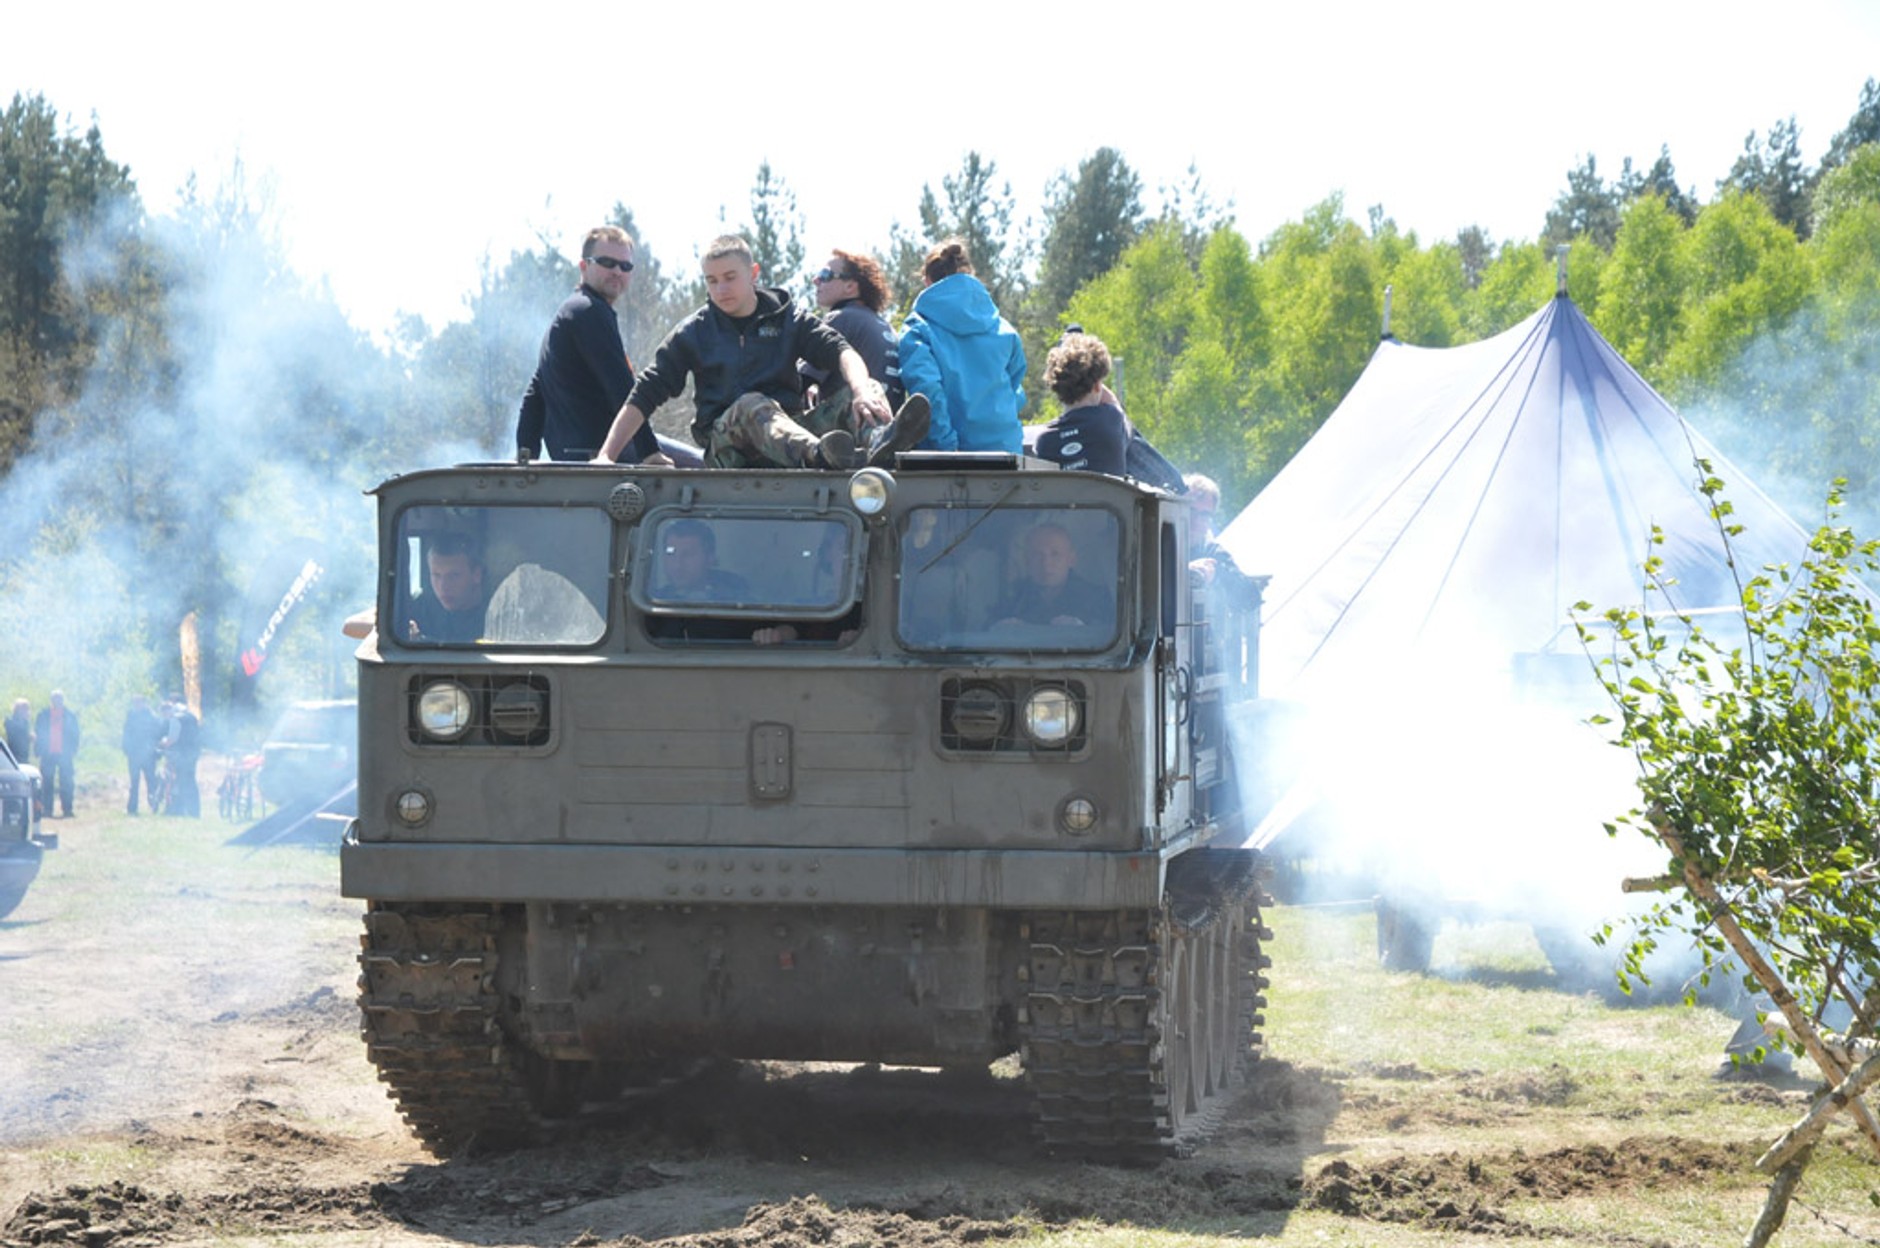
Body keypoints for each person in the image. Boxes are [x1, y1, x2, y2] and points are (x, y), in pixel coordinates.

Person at [592, 235, 928, 471]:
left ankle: (880, 440)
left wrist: (861, 391)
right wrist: (607, 455)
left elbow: (842, 351)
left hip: (787, 435)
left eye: (729, 277)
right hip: (730, 448)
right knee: (751, 404)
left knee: (863, 388)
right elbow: (646, 391)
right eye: (712, 281)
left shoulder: (787, 319)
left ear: (753, 274)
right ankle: (820, 456)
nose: (721, 289)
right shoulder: (695, 333)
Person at [515, 226, 667, 465]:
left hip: (575, 457)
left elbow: (534, 395)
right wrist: (649, 452)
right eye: (607, 262)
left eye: (625, 266)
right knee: (701, 464)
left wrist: (526, 456)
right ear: (584, 266)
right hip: (599, 455)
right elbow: (622, 386)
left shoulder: (570, 313)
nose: (617, 271)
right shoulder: (588, 311)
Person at [899, 239, 1026, 454]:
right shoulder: (1004, 329)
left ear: (927, 281)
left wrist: (946, 445)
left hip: (948, 457)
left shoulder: (918, 327)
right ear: (970, 274)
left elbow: (926, 393)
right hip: (1006, 451)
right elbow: (1015, 387)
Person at [800, 249, 902, 410]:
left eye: (825, 275)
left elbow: (798, 381)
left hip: (854, 421)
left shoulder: (842, 318)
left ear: (850, 286)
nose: (816, 280)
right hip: (890, 417)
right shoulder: (888, 327)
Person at [1034, 332, 1130, 476]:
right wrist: (1092, 379)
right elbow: (1119, 413)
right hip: (1107, 492)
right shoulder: (1110, 421)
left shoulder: (1044, 441)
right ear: (1097, 386)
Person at [647, 520, 754, 641]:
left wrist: (769, 634)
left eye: (688, 555)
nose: (677, 565)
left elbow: (766, 630)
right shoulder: (651, 604)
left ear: (710, 558)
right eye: (670, 553)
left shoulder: (737, 600)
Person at [990, 524, 1112, 629]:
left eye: (1055, 554)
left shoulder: (1099, 600)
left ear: (1071, 559)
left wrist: (1084, 631)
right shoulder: (1012, 600)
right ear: (1027, 561)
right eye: (1037, 555)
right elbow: (986, 637)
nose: (1046, 563)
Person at [1183, 473, 1256, 596]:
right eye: (1190, 510)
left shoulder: (1212, 552)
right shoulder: (1155, 544)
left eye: (1204, 515)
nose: (1196, 521)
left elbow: (1251, 595)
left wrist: (1216, 574)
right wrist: (1182, 572)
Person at [406, 533, 487, 643]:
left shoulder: (495, 615)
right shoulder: (419, 606)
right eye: (436, 575)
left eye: (454, 576)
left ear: (477, 575)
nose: (443, 586)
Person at [34, 690, 79, 818]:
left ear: (63, 700)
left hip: (65, 754)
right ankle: (47, 809)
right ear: (51, 700)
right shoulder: (43, 715)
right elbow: (38, 733)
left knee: (67, 782)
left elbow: (75, 734)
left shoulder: (70, 715)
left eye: (59, 698)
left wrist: (73, 749)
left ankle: (67, 809)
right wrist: (38, 750)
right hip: (48, 753)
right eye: (55, 698)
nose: (57, 701)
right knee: (47, 782)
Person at [158, 694, 201, 817]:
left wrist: (162, 743)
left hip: (181, 754)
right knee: (191, 782)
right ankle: (194, 811)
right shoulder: (191, 717)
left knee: (180, 781)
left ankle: (179, 810)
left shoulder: (175, 719)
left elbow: (172, 739)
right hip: (193, 753)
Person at [121, 694, 163, 815]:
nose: (137, 704)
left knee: (151, 781)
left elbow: (157, 733)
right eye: (135, 702)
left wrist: (155, 749)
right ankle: (132, 808)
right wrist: (126, 748)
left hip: (149, 755)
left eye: (139, 702)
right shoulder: (131, 716)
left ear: (144, 703)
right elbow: (126, 733)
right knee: (134, 782)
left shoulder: (152, 717)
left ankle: (154, 806)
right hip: (134, 754)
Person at [4, 698, 30, 764]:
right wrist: (27, 736)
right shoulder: (10, 721)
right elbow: (15, 734)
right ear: (18, 709)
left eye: (27, 709)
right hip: (14, 752)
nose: (26, 711)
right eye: (24, 709)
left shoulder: (25, 722)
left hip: (24, 754)